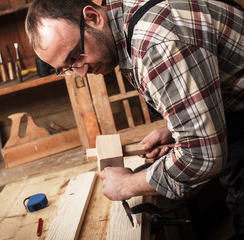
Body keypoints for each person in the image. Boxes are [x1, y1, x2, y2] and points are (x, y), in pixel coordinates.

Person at [25, 0, 244, 237]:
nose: (81, 71)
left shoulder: (155, 43)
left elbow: (203, 156)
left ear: (92, 17)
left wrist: (129, 184)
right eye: (67, 67)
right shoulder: (121, 14)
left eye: (76, 55)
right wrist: (177, 125)